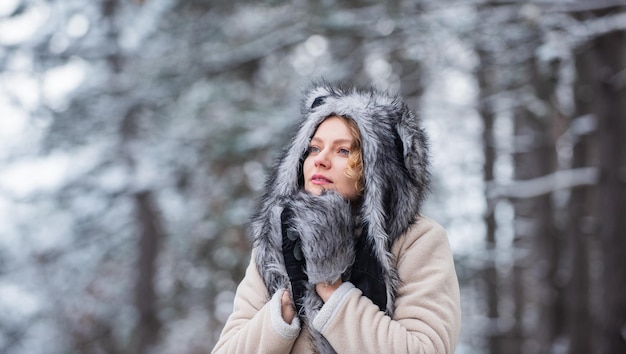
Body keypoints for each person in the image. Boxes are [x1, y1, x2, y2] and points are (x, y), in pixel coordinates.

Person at [212, 82, 461, 354]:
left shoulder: (418, 240)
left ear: (379, 169)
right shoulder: (278, 240)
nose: (320, 160)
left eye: (343, 151)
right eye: (314, 148)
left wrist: (330, 287)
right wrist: (285, 305)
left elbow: (425, 349)